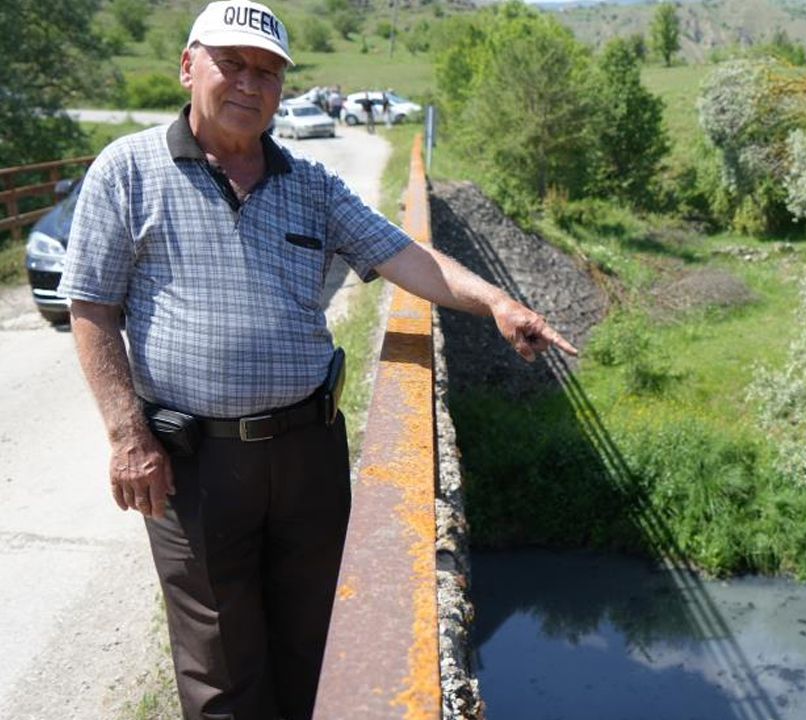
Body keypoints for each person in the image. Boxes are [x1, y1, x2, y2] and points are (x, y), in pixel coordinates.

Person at [57, 2, 576, 718]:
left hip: (307, 454)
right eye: (232, 63)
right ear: (187, 66)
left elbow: (408, 257)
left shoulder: (310, 185)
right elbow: (91, 308)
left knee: (319, 642)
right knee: (220, 671)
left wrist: (497, 303)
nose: (250, 83)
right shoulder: (127, 170)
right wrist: (126, 436)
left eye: (267, 72)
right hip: (192, 464)